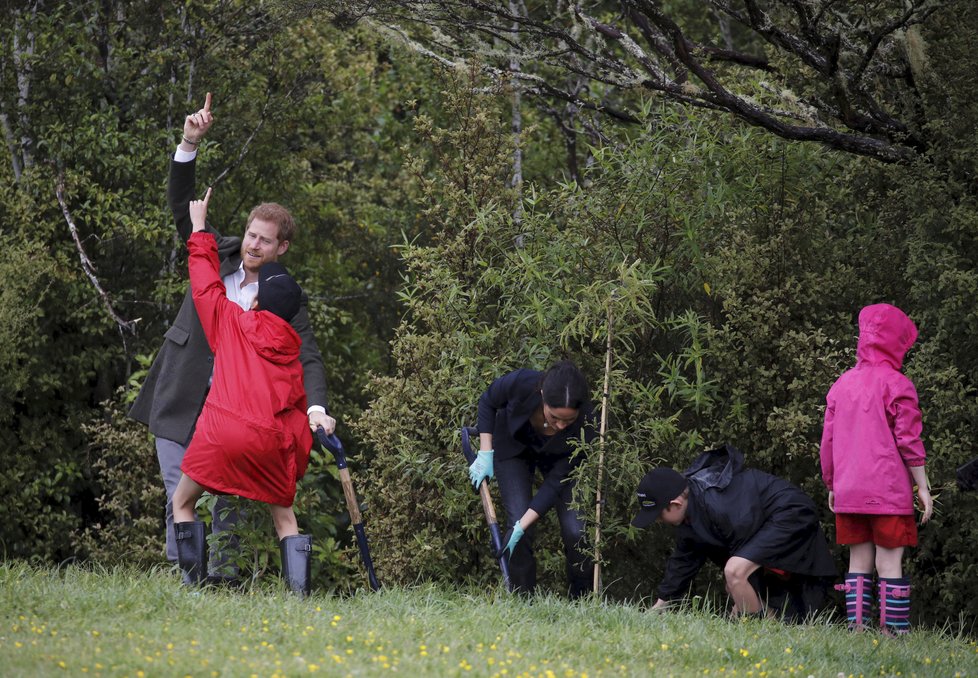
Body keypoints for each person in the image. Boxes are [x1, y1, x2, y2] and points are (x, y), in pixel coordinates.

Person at [128, 93, 335, 581]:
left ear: (282, 247)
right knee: (178, 484)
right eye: (250, 233)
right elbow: (184, 208)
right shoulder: (215, 253)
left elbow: (309, 359)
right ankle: (188, 581)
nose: (252, 243)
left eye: (264, 239)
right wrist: (188, 143)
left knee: (233, 496)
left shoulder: (285, 297)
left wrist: (316, 408)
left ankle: (223, 580)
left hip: (241, 407)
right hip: (183, 390)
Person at [171, 187, 314, 594]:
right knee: (285, 520)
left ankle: (194, 589)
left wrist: (200, 229)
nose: (253, 244)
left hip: (220, 436)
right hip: (268, 443)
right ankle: (299, 598)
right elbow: (295, 415)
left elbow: (203, 284)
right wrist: (293, 462)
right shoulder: (291, 351)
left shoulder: (233, 322)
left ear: (255, 303)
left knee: (183, 502)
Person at [820, 303, 933, 634]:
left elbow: (827, 442)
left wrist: (832, 483)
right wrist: (922, 487)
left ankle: (857, 631)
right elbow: (909, 441)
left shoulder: (841, 385)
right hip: (887, 491)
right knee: (888, 563)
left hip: (849, 489)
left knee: (859, 562)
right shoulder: (898, 384)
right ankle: (892, 631)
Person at [632, 444, 836, 620]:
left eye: (658, 515)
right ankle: (766, 625)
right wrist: (660, 606)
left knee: (735, 573)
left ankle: (757, 630)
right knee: (736, 581)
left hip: (792, 514)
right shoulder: (690, 514)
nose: (657, 521)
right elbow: (683, 561)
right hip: (759, 524)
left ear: (675, 504)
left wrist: (741, 604)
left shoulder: (717, 504)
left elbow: (743, 555)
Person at [469, 360, 597, 598]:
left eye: (568, 421)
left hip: (560, 462)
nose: (560, 425)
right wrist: (485, 452)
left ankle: (582, 601)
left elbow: (556, 483)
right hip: (513, 449)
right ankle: (522, 599)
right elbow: (489, 400)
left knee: (575, 530)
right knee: (517, 519)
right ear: (542, 396)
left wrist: (523, 524)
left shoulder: (587, 425)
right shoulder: (522, 383)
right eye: (555, 417)